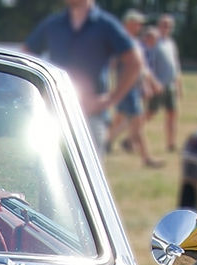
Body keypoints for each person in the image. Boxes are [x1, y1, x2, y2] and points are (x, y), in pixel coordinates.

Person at [22, 0, 141, 156]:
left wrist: (111, 99)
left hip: (91, 118)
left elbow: (134, 62)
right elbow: (26, 55)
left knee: (87, 177)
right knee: (52, 173)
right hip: (55, 114)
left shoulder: (105, 25)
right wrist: (39, 94)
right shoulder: (53, 24)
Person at [108, 11, 161, 167]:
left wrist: (150, 82)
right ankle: (147, 158)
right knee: (137, 123)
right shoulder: (120, 41)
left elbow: (142, 67)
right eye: (137, 23)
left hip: (133, 88)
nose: (140, 26)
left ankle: (104, 144)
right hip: (127, 88)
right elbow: (113, 64)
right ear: (128, 23)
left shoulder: (134, 42)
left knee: (120, 119)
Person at [145, 15, 182, 153]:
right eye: (164, 25)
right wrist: (151, 83)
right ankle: (133, 137)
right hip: (158, 85)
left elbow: (176, 65)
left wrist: (179, 85)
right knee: (150, 113)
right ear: (159, 26)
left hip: (170, 84)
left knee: (172, 113)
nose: (166, 28)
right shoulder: (154, 42)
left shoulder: (171, 43)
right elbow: (147, 63)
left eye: (169, 26)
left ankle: (171, 143)